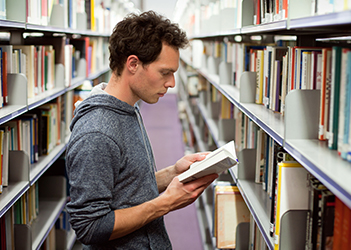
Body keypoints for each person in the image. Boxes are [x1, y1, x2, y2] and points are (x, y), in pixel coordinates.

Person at [65, 10, 218, 249]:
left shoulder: (128, 108)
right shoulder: (96, 134)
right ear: (133, 64)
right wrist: (166, 203)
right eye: (165, 72)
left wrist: (172, 173)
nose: (171, 83)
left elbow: (125, 188)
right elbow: (90, 226)